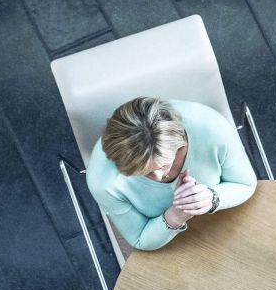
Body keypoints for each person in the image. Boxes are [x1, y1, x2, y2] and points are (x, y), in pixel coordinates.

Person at [86, 97, 257, 250]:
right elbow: (139, 239)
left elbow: (246, 184)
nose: (159, 178)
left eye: (163, 166)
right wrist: (175, 216)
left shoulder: (212, 128)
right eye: (143, 172)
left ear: (180, 143)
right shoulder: (103, 182)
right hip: (168, 242)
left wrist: (212, 197)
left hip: (226, 220)